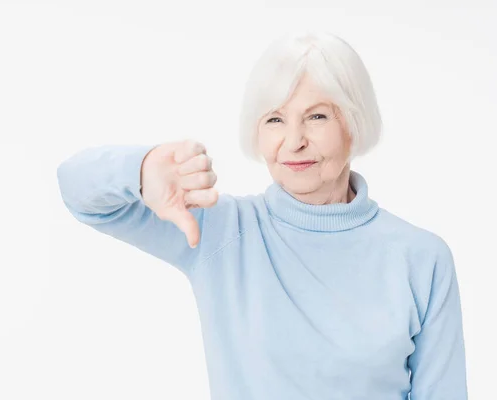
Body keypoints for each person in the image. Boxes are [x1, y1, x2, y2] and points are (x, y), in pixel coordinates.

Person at [56, 32, 468, 400]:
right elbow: (78, 191)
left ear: (354, 124)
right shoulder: (220, 231)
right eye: (274, 119)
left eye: (317, 116)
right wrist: (142, 169)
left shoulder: (421, 258)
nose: (293, 142)